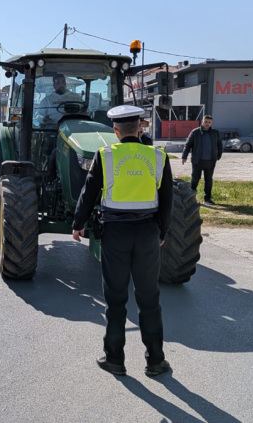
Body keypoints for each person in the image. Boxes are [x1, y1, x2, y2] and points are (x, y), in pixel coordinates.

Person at [71, 105, 173, 378]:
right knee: (149, 299)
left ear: (115, 131)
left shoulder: (105, 155)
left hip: (115, 234)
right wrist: (162, 233)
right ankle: (155, 361)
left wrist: (77, 224)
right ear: (140, 127)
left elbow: (88, 192)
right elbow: (167, 201)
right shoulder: (158, 156)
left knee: (116, 299)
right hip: (148, 233)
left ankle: (114, 359)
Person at [181, 115, 222, 204]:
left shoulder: (215, 133)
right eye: (205, 121)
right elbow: (188, 145)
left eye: (209, 122)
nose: (207, 124)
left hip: (210, 162)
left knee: (208, 180)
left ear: (211, 123)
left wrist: (218, 156)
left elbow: (219, 145)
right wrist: (184, 156)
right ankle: (191, 198)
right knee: (195, 179)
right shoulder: (195, 132)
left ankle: (207, 198)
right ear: (202, 121)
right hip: (197, 161)